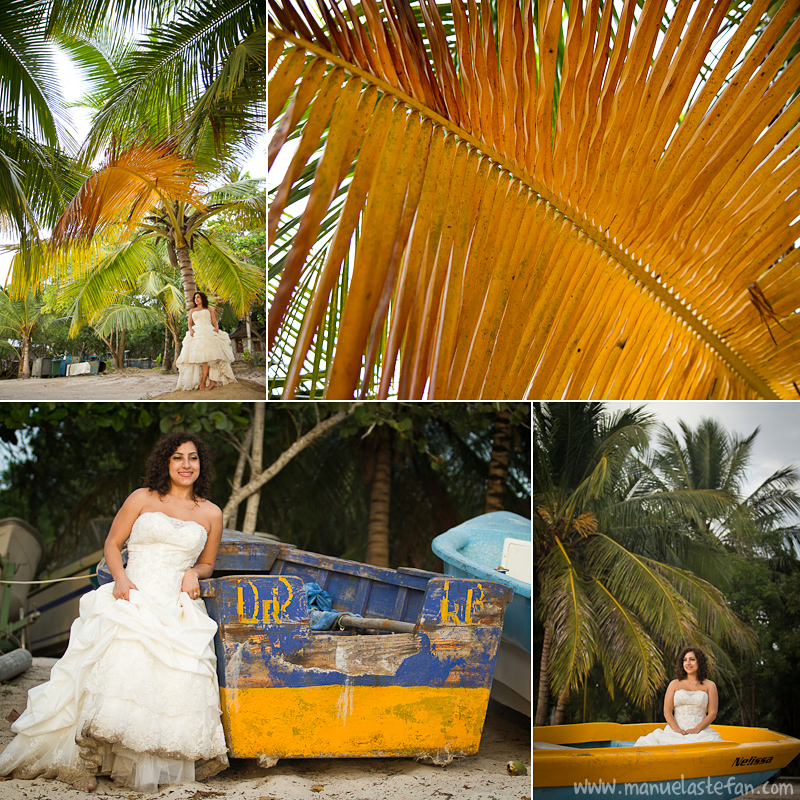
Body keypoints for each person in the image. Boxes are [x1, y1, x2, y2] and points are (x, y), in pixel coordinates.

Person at [0, 433, 229, 792]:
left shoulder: (212, 512)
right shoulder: (142, 498)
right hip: (132, 594)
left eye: (193, 458)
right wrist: (120, 578)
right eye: (177, 458)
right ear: (164, 464)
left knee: (173, 679)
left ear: (202, 464)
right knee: (120, 668)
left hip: (176, 605)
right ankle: (91, 758)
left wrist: (192, 573)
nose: (186, 465)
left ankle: (146, 763)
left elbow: (208, 564)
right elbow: (112, 543)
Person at [634, 646, 722, 746]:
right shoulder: (674, 684)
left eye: (692, 659)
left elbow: (712, 713)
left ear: (700, 662)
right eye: (685, 660)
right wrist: (676, 730)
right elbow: (667, 711)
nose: (687, 663)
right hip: (675, 731)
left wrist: (697, 729)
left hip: (701, 733)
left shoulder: (710, 685)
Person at [175, 291, 237, 391]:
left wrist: (216, 328)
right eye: (195, 298)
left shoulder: (209, 309)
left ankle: (209, 382)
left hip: (208, 331)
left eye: (198, 297)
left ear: (202, 298)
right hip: (197, 333)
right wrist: (191, 330)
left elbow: (214, 321)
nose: (196, 299)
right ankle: (205, 382)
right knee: (203, 359)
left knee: (211, 358)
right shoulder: (192, 311)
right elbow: (190, 324)